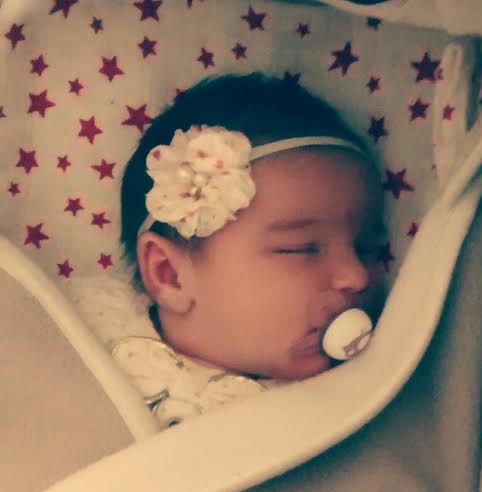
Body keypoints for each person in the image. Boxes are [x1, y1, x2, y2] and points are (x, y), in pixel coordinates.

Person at [67, 72, 386, 429]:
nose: (356, 275)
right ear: (169, 275)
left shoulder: (360, 392)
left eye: (367, 248)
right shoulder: (84, 336)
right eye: (302, 249)